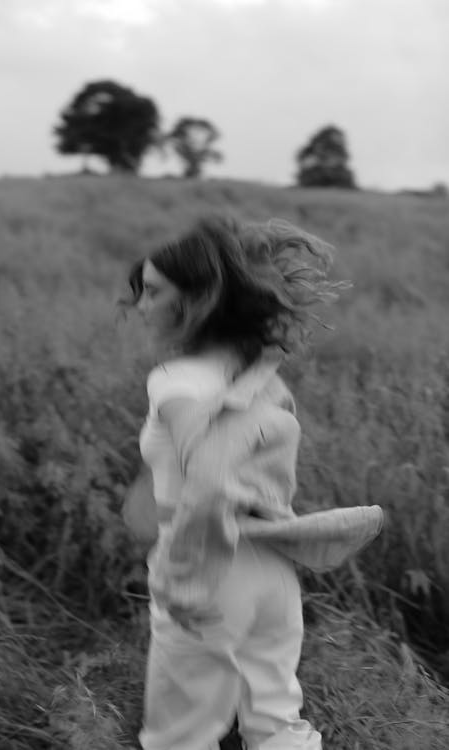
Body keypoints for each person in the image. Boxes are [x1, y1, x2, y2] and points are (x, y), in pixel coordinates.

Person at [121, 215, 383, 750]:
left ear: (198, 300)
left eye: (152, 292)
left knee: (179, 739)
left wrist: (186, 579)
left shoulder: (176, 382)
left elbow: (213, 475)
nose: (141, 307)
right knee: (276, 725)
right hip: (271, 569)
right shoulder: (261, 375)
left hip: (209, 562)